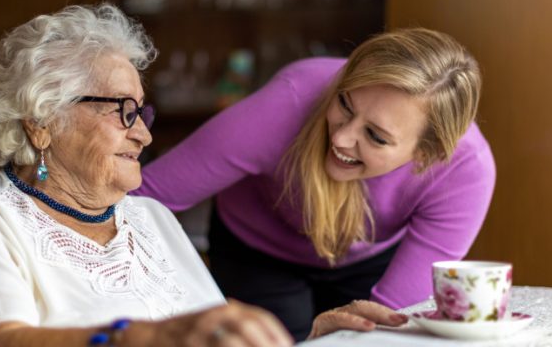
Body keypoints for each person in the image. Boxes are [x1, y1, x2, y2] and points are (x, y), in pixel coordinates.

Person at [0, 4, 407, 347]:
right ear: (42, 123)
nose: (144, 138)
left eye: (141, 115)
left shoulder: (149, 218)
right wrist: (143, 337)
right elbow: (0, 342)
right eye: (122, 112)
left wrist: (310, 339)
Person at [133, 28, 496, 340]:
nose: (341, 138)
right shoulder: (289, 101)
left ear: (427, 155)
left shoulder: (466, 172)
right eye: (345, 104)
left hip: (369, 258)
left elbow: (390, 326)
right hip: (258, 249)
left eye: (375, 136)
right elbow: (141, 196)